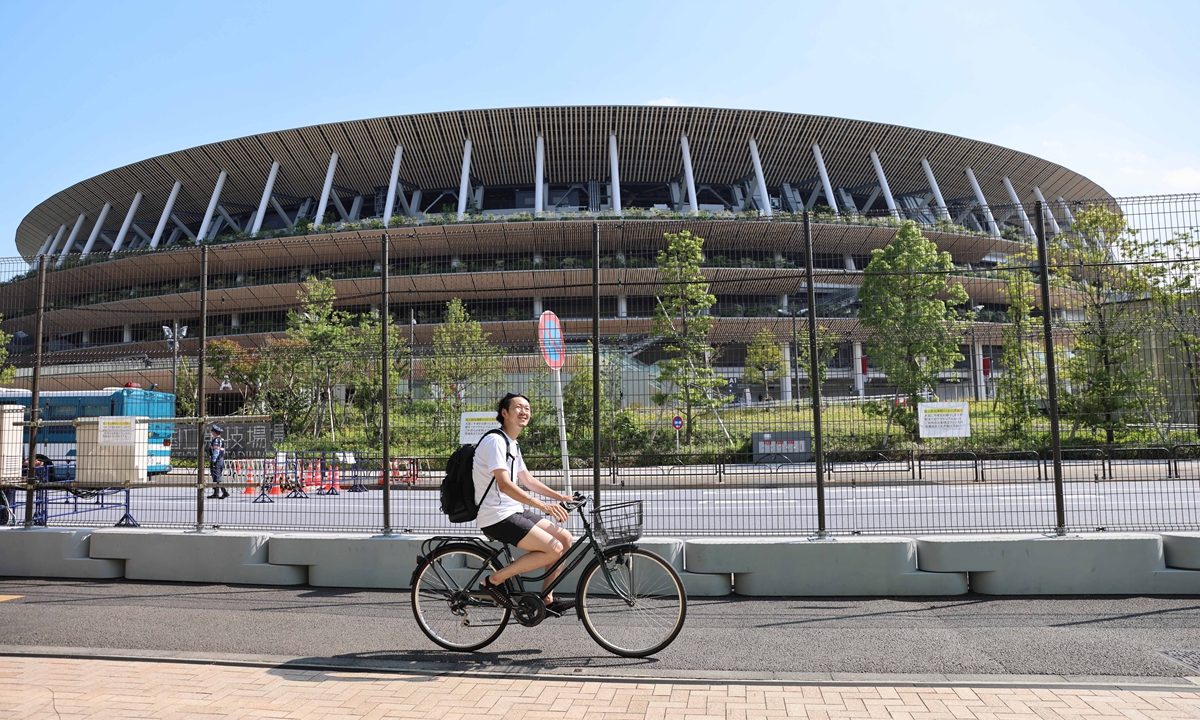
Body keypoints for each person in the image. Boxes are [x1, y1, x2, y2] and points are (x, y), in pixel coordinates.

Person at [474, 392, 575, 616]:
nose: (524, 412)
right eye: (518, 407)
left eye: (527, 408)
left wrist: (561, 498)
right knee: (554, 549)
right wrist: (542, 506)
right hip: (496, 516)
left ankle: (547, 599)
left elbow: (528, 480)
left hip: (513, 510)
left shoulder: (512, 444)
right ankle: (492, 581)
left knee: (565, 539)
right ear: (504, 413)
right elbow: (504, 485)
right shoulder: (495, 441)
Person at [207, 425, 227, 499]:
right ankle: (216, 492)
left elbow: (216, 451)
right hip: (220, 459)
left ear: (215, 432)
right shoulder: (221, 439)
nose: (212, 433)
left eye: (212, 431)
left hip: (217, 460)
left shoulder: (216, 440)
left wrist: (214, 460)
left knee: (217, 476)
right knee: (216, 476)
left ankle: (224, 492)